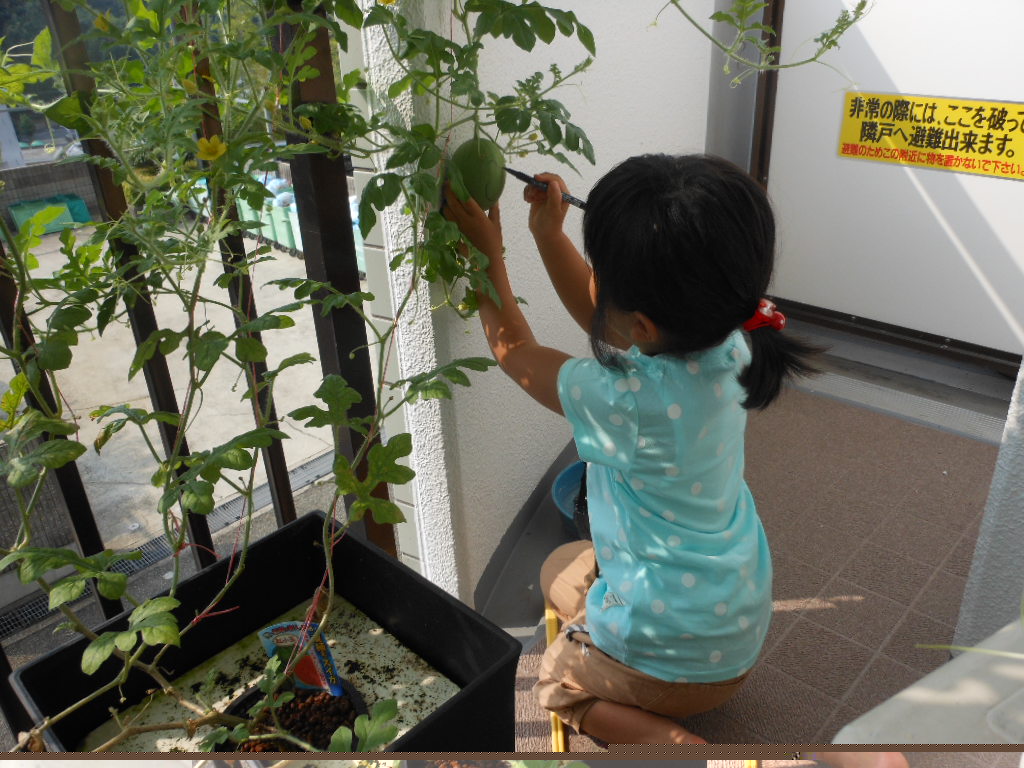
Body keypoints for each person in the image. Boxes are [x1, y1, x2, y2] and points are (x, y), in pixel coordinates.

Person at [444, 153, 819, 744]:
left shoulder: (628, 402)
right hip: (734, 622)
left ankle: (680, 746)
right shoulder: (734, 339)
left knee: (552, 682)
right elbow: (612, 319)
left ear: (643, 323)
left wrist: (486, 255)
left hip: (674, 665)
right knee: (564, 571)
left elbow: (515, 354)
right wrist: (549, 236)